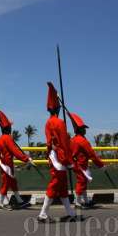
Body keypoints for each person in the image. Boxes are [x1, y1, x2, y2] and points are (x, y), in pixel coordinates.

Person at [38, 82, 76, 223]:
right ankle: (42, 214)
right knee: (55, 185)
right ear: (58, 108)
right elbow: (64, 144)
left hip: (54, 156)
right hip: (60, 158)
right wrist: (69, 161)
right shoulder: (60, 123)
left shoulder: (48, 122)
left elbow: (51, 143)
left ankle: (71, 213)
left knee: (62, 186)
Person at [0, 108, 35, 210]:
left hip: (4, 163)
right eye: (10, 126)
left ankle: (20, 201)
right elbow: (16, 152)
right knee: (6, 184)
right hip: (7, 165)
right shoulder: (8, 138)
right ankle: (0, 204)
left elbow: (0, 154)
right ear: (7, 128)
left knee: (13, 183)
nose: (11, 128)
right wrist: (27, 159)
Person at [69, 113, 104, 209]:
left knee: (83, 182)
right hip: (81, 164)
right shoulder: (82, 140)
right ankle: (78, 202)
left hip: (76, 164)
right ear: (80, 130)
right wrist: (101, 165)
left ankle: (86, 201)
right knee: (81, 182)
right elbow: (92, 154)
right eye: (83, 128)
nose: (85, 130)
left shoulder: (73, 139)